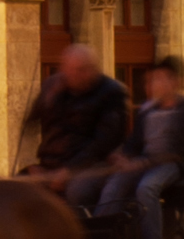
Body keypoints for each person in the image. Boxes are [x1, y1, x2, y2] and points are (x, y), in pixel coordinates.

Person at [83, 54, 184, 239]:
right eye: (151, 80)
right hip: (146, 162)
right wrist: (123, 157)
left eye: (159, 79)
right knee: (114, 185)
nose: (153, 85)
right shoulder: (147, 110)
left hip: (174, 163)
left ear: (174, 82)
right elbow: (135, 143)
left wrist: (144, 163)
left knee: (147, 188)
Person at [17, 32, 130, 190]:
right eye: (68, 70)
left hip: (88, 166)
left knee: (78, 191)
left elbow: (104, 141)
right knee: (12, 189)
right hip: (51, 163)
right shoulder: (56, 86)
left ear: (92, 69)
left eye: (80, 70)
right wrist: (47, 100)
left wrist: (69, 170)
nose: (73, 76)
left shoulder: (111, 92)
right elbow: (31, 122)